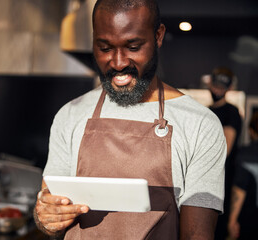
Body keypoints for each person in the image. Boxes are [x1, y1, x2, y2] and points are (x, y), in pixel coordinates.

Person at [34, 0, 226, 239]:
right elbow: (50, 211)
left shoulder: (200, 125)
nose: (118, 62)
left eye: (133, 47)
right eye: (104, 48)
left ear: (158, 36)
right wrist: (46, 218)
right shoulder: (70, 114)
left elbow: (197, 235)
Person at [208, 67, 243, 240]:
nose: (217, 90)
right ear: (210, 83)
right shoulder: (206, 111)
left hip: (222, 181)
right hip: (204, 179)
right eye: (215, 86)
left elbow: (225, 149)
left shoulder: (232, 112)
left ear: (229, 89)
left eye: (221, 87)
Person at [228, 112, 258, 240]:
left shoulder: (246, 154)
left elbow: (239, 189)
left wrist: (232, 221)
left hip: (251, 222)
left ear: (251, 131)